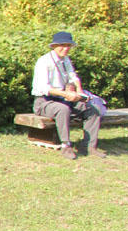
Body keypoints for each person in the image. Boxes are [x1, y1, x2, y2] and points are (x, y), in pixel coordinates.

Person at [31, 31, 104, 159]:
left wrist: (79, 92)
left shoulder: (65, 60)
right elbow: (44, 88)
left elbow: (72, 76)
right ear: (54, 46)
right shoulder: (44, 61)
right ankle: (66, 146)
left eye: (68, 46)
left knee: (92, 109)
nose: (65, 49)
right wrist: (66, 94)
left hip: (63, 98)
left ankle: (89, 146)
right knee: (63, 109)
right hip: (44, 102)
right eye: (62, 45)